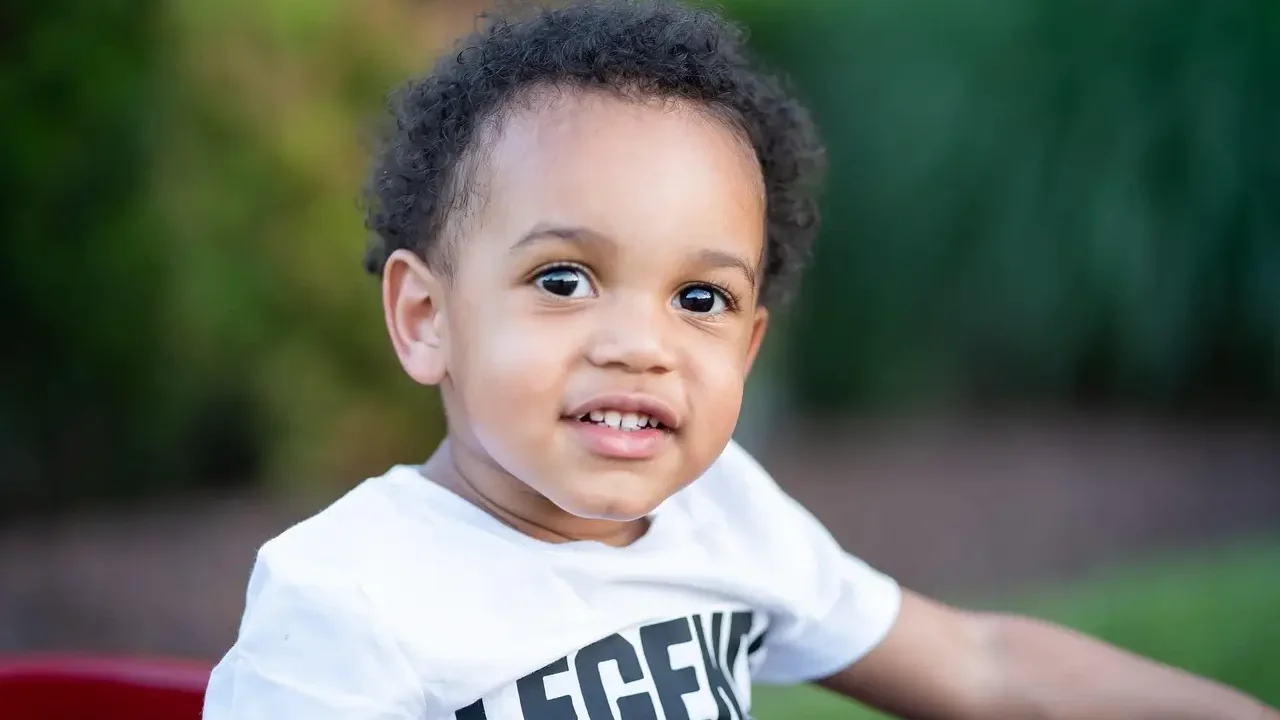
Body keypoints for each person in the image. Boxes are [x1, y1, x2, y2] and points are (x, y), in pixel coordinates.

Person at [202, 2, 1278, 718]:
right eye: (564, 278)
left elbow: (981, 667)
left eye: (700, 298)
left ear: (749, 344)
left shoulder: (724, 517)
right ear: (425, 317)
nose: (639, 344)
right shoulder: (345, 598)